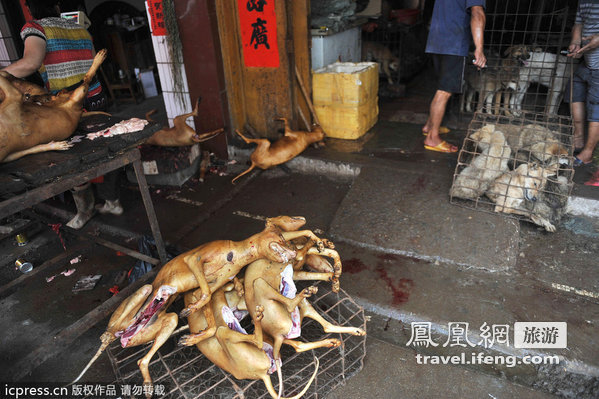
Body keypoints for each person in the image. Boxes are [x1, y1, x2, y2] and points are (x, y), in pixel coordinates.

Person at [2, 0, 120, 229]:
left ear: (29, 8)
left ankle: (85, 210)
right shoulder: (77, 26)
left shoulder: (35, 28)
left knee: (73, 158)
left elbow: (30, 63)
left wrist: (3, 74)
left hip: (63, 107)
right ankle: (113, 201)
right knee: (108, 148)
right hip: (93, 95)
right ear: (56, 5)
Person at [422, 0, 486, 153]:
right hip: (454, 44)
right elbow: (477, 13)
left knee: (441, 87)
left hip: (436, 39)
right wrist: (479, 49)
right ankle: (432, 137)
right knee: (445, 91)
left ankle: (429, 126)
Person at [565, 1, 599, 166]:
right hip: (587, 61)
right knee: (574, 91)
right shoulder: (583, 1)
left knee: (596, 106)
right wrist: (576, 42)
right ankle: (578, 140)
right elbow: (579, 23)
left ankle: (588, 152)